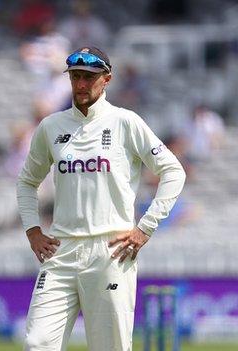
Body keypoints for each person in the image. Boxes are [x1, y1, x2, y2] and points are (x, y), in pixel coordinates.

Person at [17, 46, 186, 350]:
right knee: (37, 343)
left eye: (89, 78)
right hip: (61, 249)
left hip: (111, 250)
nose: (81, 84)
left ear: (106, 79)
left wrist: (146, 227)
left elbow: (174, 172)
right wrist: (32, 230)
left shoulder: (125, 122)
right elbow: (27, 181)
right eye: (76, 77)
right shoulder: (51, 126)